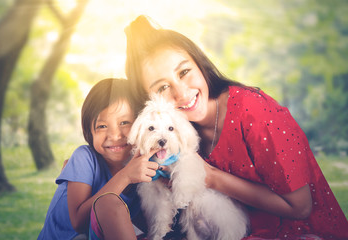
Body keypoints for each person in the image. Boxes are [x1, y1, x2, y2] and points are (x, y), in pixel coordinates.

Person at [124, 15, 348, 240]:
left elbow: (301, 207)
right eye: (163, 87)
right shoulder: (177, 134)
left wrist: (211, 177)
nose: (181, 93)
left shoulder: (255, 112)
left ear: (199, 64)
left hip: (302, 232)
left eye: (184, 72)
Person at [38, 78, 159, 240]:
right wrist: (125, 176)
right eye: (102, 126)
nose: (114, 135)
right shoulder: (84, 157)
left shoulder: (143, 166)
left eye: (125, 122)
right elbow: (79, 223)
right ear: (89, 131)